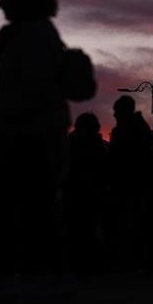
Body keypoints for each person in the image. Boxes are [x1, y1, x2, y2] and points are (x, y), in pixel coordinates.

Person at [0, 0, 70, 286]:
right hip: (31, 132)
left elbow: (28, 89)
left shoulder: (31, 36)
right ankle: (35, 275)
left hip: (28, 135)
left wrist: (9, 122)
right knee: (33, 207)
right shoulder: (36, 34)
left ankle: (30, 276)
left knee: (27, 207)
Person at [108, 95, 153, 270]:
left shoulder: (129, 131)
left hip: (130, 183)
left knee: (131, 220)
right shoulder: (138, 128)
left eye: (117, 111)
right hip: (132, 183)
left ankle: (131, 259)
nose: (114, 115)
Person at [64, 112, 109, 274]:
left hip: (77, 194)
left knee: (79, 229)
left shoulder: (71, 143)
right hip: (87, 194)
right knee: (86, 229)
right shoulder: (96, 145)